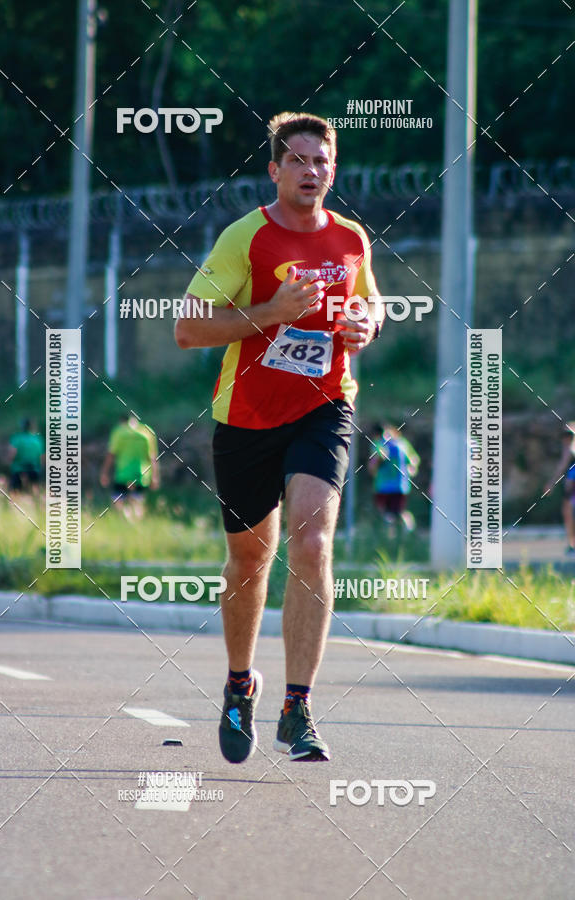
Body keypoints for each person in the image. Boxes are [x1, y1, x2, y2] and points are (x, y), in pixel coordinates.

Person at [175, 111, 384, 763]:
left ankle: (299, 707)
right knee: (249, 560)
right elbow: (188, 328)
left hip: (325, 406)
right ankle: (241, 684)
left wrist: (368, 323)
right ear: (275, 169)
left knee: (313, 540)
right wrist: (269, 313)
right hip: (247, 416)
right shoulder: (246, 238)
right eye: (298, 159)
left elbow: (372, 300)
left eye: (321, 161)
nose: (310, 170)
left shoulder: (351, 239)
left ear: (333, 170)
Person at [99, 414, 159, 519]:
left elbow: (111, 455)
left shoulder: (119, 432)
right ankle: (136, 523)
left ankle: (125, 521)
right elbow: (152, 457)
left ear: (122, 421)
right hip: (141, 475)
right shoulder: (147, 432)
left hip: (123, 474)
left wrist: (104, 472)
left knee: (118, 502)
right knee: (137, 503)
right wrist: (155, 476)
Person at [368, 423, 420, 537]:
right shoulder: (402, 443)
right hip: (401, 485)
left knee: (386, 513)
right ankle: (407, 531)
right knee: (398, 511)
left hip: (383, 485)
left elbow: (376, 461)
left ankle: (390, 537)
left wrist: (373, 468)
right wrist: (410, 470)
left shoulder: (378, 444)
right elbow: (413, 460)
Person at [544, 422, 575, 554]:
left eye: (569, 435)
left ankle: (572, 543)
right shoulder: (568, 448)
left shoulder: (569, 448)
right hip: (570, 483)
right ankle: (571, 543)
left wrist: (551, 483)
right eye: (565, 436)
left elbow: (563, 465)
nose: (566, 439)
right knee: (567, 512)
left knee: (568, 512)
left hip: (571, 484)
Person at [7, 418, 44, 493]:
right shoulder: (38, 439)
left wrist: (9, 464)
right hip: (34, 469)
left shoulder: (17, 438)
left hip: (18, 470)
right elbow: (42, 457)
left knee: (15, 493)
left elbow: (12, 454)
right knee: (34, 492)